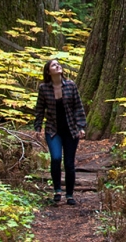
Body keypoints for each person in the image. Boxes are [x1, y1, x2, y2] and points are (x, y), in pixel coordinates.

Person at [32, 58, 87, 205]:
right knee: (56, 158)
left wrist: (81, 126)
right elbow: (39, 109)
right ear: (48, 72)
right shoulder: (44, 88)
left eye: (58, 64)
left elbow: (78, 107)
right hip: (52, 130)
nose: (58, 66)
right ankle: (57, 190)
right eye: (54, 65)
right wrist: (37, 127)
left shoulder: (70, 85)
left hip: (71, 130)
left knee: (69, 163)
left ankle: (69, 195)